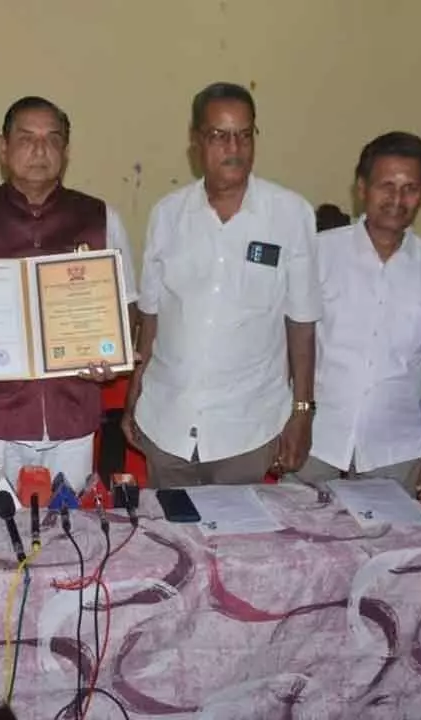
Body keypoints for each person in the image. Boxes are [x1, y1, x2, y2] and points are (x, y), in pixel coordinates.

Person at [0, 96, 138, 495]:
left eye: (52, 139)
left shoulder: (101, 219)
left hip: (71, 413)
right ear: (3, 147)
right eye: (26, 138)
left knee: (69, 534)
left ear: (66, 150)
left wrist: (116, 354)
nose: (39, 150)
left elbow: (125, 305)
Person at [123, 81, 321, 486]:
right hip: (167, 424)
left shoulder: (290, 215)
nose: (234, 147)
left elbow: (301, 324)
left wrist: (302, 411)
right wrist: (133, 397)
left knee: (240, 546)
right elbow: (152, 318)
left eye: (244, 135)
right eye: (219, 135)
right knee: (172, 541)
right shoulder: (168, 215)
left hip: (248, 429)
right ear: (196, 142)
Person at [292, 132, 421, 498]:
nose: (397, 199)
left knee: (381, 551)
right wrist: (288, 420)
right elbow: (289, 344)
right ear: (361, 188)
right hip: (316, 441)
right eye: (386, 186)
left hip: (396, 450)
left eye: (410, 188)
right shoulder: (320, 254)